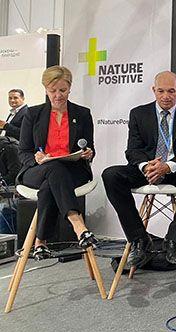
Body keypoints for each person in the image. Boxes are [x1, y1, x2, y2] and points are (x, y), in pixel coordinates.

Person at [102, 71, 176, 268]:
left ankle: (173, 240)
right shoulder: (138, 113)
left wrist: (167, 166)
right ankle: (139, 240)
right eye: (161, 91)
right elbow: (133, 150)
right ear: (153, 90)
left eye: (171, 91)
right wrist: (147, 166)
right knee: (111, 175)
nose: (166, 96)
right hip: (148, 169)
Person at [17, 66, 97, 260]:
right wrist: (36, 159)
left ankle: (41, 242)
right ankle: (78, 225)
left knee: (50, 185)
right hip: (38, 169)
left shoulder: (83, 113)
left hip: (73, 170)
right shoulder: (33, 114)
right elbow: (23, 152)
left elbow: (90, 148)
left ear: (70, 88)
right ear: (46, 89)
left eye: (62, 90)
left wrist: (88, 153)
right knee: (53, 169)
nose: (58, 95)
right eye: (53, 91)